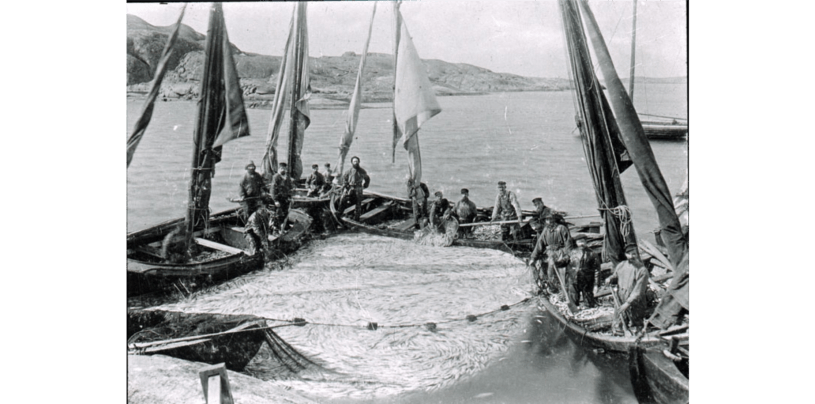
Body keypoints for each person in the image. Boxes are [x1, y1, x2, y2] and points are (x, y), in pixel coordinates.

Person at [605, 244, 652, 334]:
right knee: (619, 319)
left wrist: (627, 303)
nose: (631, 256)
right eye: (629, 254)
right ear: (625, 254)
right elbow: (616, 275)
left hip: (635, 299)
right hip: (621, 295)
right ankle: (618, 333)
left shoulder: (642, 270)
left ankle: (637, 334)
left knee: (635, 322)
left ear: (637, 254)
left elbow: (638, 291)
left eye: (634, 253)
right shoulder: (621, 265)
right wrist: (610, 278)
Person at [529, 213, 573, 294]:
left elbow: (568, 243)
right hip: (549, 252)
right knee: (539, 265)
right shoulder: (546, 230)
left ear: (554, 220)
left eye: (551, 219)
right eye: (547, 220)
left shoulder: (561, 228)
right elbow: (540, 243)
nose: (549, 221)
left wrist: (568, 255)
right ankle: (546, 286)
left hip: (560, 251)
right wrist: (533, 257)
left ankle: (560, 288)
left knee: (554, 266)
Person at [565, 239, 600, 307]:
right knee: (573, 298)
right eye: (579, 242)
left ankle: (589, 309)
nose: (581, 244)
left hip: (587, 280)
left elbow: (597, 270)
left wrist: (596, 284)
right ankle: (575, 309)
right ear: (576, 243)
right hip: (574, 279)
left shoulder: (592, 253)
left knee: (589, 301)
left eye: (583, 241)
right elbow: (564, 262)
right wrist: (556, 262)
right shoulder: (572, 253)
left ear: (586, 242)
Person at [341, 156, 370, 221]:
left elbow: (367, 179)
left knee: (358, 202)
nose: (356, 163)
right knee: (344, 198)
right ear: (352, 162)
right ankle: (340, 213)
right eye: (354, 161)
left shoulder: (362, 171)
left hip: (358, 188)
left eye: (357, 161)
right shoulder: (348, 171)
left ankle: (357, 218)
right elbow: (344, 178)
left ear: (359, 162)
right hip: (350, 187)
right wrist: (346, 185)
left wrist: (365, 186)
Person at [270, 163, 294, 233]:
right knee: (278, 214)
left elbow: (289, 188)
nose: (283, 170)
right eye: (282, 168)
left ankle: (285, 227)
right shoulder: (276, 177)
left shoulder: (287, 177)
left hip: (285, 199)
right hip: (279, 199)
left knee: (286, 212)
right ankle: (276, 229)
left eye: (284, 168)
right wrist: (275, 200)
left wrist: (290, 197)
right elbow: (273, 189)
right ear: (279, 169)